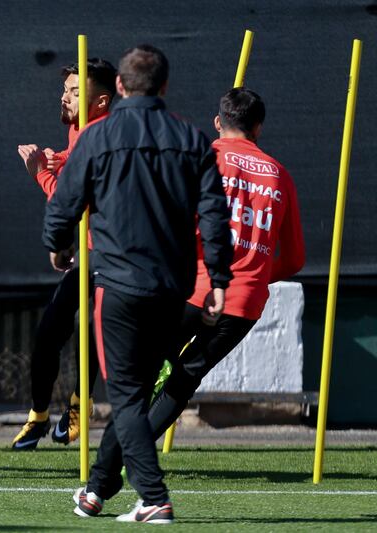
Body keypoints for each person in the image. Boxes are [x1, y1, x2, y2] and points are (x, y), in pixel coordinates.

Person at [70, 87, 305, 519]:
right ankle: (100, 487)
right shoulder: (279, 174)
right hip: (243, 304)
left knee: (135, 385)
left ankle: (99, 489)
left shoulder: (203, 154)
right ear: (259, 127)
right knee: (181, 383)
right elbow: (292, 258)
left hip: (186, 290)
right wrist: (249, 277)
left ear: (219, 122)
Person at [43, 45, 233, 524]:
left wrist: (58, 244)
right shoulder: (192, 140)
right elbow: (214, 214)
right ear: (164, 87)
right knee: (139, 391)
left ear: (121, 87)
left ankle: (153, 496)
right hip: (174, 286)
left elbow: (65, 203)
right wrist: (219, 277)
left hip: (120, 283)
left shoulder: (97, 136)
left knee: (127, 396)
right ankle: (97, 491)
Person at [12, 58, 116, 450]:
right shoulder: (77, 128)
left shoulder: (103, 134)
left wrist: (40, 170)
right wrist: (60, 159)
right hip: (86, 252)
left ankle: (79, 404)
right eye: (66, 89)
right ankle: (38, 416)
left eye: (76, 92)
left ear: (101, 102)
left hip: (113, 255)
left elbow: (72, 200)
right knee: (48, 333)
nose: (65, 97)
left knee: (92, 333)